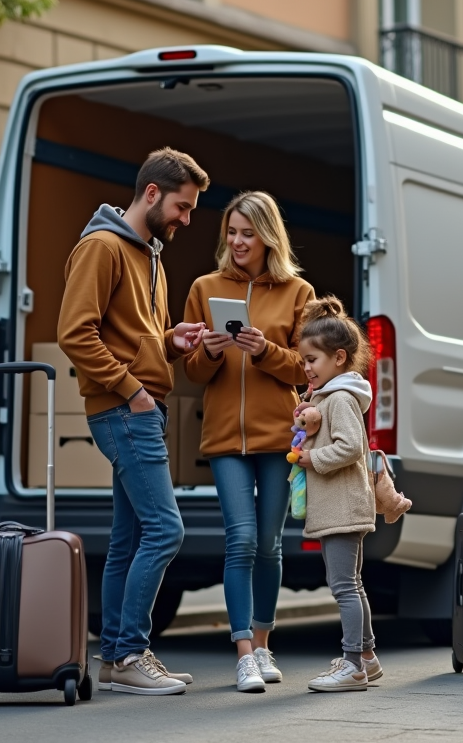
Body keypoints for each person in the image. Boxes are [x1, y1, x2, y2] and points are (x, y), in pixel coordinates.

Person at [57, 147, 209, 697]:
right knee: (166, 529)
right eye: (182, 207)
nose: (186, 219)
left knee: (129, 538)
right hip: (124, 409)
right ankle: (127, 653)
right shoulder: (101, 247)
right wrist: (132, 391)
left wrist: (171, 341)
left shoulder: (151, 255)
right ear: (151, 194)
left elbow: (130, 339)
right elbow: (76, 334)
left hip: (140, 405)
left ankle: (117, 659)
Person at [182, 191, 315, 693]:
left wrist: (265, 351)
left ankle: (263, 644)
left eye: (247, 233)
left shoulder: (298, 293)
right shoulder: (204, 287)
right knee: (240, 538)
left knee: (269, 543)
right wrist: (212, 352)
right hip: (223, 439)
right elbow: (193, 372)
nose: (238, 242)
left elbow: (307, 369)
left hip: (278, 437)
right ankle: (242, 653)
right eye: (232, 233)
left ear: (267, 237)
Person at [293, 296, 383, 693]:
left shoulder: (341, 399)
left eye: (313, 360)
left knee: (344, 585)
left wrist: (312, 458)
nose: (306, 367)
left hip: (344, 507)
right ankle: (366, 657)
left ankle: (352, 665)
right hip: (343, 506)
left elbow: (350, 448)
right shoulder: (328, 398)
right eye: (305, 360)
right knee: (354, 584)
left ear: (340, 358)